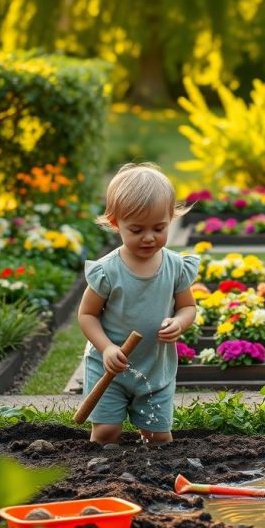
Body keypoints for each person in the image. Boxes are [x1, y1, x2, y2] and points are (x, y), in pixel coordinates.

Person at [78, 162, 199, 445]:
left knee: (158, 437)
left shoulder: (175, 267)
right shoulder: (108, 271)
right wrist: (106, 348)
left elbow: (188, 307)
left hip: (155, 367)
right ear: (115, 223)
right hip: (110, 367)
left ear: (172, 217)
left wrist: (179, 322)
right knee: (106, 433)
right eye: (136, 229)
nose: (148, 237)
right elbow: (87, 314)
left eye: (159, 228)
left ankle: (149, 478)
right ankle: (105, 474)